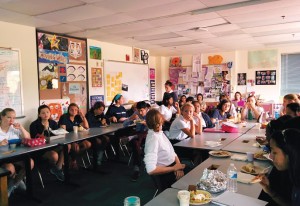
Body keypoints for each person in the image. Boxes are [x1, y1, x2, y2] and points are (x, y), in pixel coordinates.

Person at [144, 109, 185, 194]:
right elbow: (150, 169)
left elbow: (172, 152)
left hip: (172, 167)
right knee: (192, 179)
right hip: (165, 175)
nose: (160, 124)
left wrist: (178, 166)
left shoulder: (159, 133)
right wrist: (174, 168)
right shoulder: (153, 139)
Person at [259, 129, 300, 206]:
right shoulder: (295, 175)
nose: (270, 156)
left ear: (289, 153)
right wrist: (269, 191)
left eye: (274, 152)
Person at [0, 108, 34, 197]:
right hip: (2, 158)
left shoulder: (14, 128)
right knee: (10, 168)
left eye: (14, 118)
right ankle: (15, 182)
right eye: (9, 117)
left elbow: (28, 138)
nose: (12, 120)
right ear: (2, 117)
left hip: (15, 155)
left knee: (30, 163)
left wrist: (21, 128)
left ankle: (14, 184)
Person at [30, 105, 64, 181]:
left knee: (66, 146)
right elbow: (35, 139)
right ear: (39, 114)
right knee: (54, 155)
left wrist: (61, 131)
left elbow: (57, 134)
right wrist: (45, 129)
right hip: (40, 150)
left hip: (52, 146)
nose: (46, 114)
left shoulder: (53, 123)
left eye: (47, 112)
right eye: (43, 113)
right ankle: (54, 169)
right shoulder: (34, 125)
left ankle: (58, 168)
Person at [123, 101, 150, 181]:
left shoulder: (150, 114)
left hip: (149, 135)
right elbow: (124, 124)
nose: (140, 113)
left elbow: (155, 128)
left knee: (139, 137)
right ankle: (136, 168)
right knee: (135, 144)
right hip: (139, 135)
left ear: (146, 109)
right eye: (139, 111)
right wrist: (131, 119)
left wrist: (146, 123)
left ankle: (131, 137)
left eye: (142, 110)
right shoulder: (136, 113)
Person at [58, 103, 91, 168]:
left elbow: (86, 127)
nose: (74, 111)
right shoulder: (64, 117)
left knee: (88, 144)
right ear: (68, 110)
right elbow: (63, 132)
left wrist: (83, 116)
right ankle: (73, 160)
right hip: (67, 139)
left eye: (76, 110)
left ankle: (72, 158)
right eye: (72, 110)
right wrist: (73, 141)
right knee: (76, 148)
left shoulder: (77, 117)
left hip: (77, 138)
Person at [85, 101, 110, 166]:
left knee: (106, 139)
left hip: (98, 133)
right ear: (96, 108)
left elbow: (107, 120)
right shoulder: (89, 114)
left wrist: (105, 121)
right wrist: (100, 123)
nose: (102, 111)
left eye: (103, 110)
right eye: (101, 110)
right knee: (97, 141)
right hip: (89, 134)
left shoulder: (101, 114)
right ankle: (95, 159)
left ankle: (99, 157)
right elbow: (90, 125)